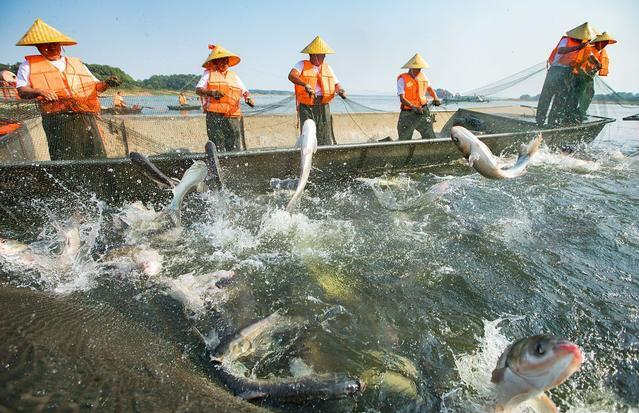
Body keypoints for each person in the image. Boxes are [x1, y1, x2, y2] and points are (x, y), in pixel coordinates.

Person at [15, 18, 121, 160]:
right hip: (57, 120)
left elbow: (96, 87)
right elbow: (22, 91)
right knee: (66, 159)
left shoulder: (77, 63)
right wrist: (39, 91)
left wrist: (107, 83)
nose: (50, 47)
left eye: (54, 44)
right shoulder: (28, 65)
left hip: (86, 117)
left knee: (96, 155)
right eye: (44, 45)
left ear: (60, 44)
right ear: (37, 47)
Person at [536, 22, 597, 126]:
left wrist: (597, 63)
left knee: (561, 98)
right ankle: (539, 121)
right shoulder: (566, 40)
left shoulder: (584, 45)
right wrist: (577, 48)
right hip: (555, 70)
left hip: (567, 73)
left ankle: (553, 122)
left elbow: (590, 55)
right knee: (546, 96)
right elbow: (561, 50)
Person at [288, 36, 346, 146]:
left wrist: (341, 91)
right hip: (307, 105)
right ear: (313, 54)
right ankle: (307, 154)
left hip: (323, 105)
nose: (324, 56)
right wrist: (305, 84)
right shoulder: (301, 64)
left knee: (325, 133)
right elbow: (291, 75)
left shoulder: (327, 67)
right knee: (308, 134)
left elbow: (336, 84)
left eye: (324, 54)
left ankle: (324, 153)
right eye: (322, 54)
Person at [195, 44, 254, 152]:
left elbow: (244, 91)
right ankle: (218, 164)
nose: (224, 63)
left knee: (234, 141)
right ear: (215, 62)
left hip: (232, 115)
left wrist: (248, 99)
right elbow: (198, 90)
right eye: (221, 61)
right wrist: (211, 93)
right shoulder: (208, 74)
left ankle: (234, 164)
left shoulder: (234, 75)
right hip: (214, 115)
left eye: (226, 61)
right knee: (217, 141)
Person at [570, 32, 617, 121]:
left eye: (606, 43)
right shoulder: (590, 49)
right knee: (578, 94)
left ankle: (580, 112)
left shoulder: (600, 53)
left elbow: (598, 67)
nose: (604, 45)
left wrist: (594, 71)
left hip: (589, 76)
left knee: (590, 93)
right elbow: (581, 62)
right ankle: (573, 113)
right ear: (598, 42)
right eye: (603, 42)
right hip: (580, 74)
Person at [396, 53, 441, 141]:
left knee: (429, 135)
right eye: (416, 69)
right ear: (411, 68)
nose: (419, 71)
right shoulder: (402, 79)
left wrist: (435, 98)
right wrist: (413, 107)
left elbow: (430, 89)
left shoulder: (423, 77)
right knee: (404, 138)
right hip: (407, 113)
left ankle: (429, 152)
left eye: (420, 68)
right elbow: (402, 98)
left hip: (423, 111)